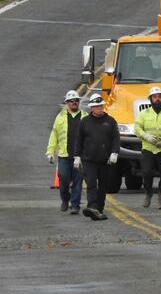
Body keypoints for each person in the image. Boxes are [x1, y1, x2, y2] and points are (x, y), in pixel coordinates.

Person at [73, 93, 120, 221]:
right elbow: (79, 140)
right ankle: (92, 206)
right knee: (91, 183)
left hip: (105, 160)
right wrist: (77, 156)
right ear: (91, 108)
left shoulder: (110, 121)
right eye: (97, 106)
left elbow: (116, 138)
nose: (100, 108)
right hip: (89, 160)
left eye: (101, 106)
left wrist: (115, 152)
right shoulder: (85, 122)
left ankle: (99, 209)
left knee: (103, 185)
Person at [46, 90, 87, 214]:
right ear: (67, 103)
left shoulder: (85, 116)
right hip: (64, 155)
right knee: (63, 179)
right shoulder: (60, 117)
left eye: (76, 101)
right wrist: (50, 152)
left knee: (78, 181)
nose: (74, 103)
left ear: (79, 102)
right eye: (71, 101)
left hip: (79, 156)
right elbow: (54, 135)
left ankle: (75, 205)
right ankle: (65, 199)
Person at [134, 86, 161, 209]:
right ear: (150, 99)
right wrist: (146, 137)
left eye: (159, 97)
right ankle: (148, 192)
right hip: (148, 149)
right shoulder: (143, 114)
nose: (157, 99)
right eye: (154, 97)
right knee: (146, 173)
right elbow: (137, 128)